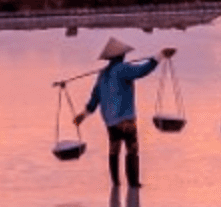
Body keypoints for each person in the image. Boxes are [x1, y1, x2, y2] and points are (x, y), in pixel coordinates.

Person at [73, 37, 173, 188]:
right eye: (123, 55)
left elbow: (94, 99)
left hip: (110, 122)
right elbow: (142, 70)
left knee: (114, 150)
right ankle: (133, 183)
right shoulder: (122, 69)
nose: (124, 56)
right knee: (132, 149)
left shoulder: (103, 75)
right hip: (125, 119)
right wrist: (159, 56)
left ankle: (115, 183)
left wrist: (83, 115)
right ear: (120, 56)